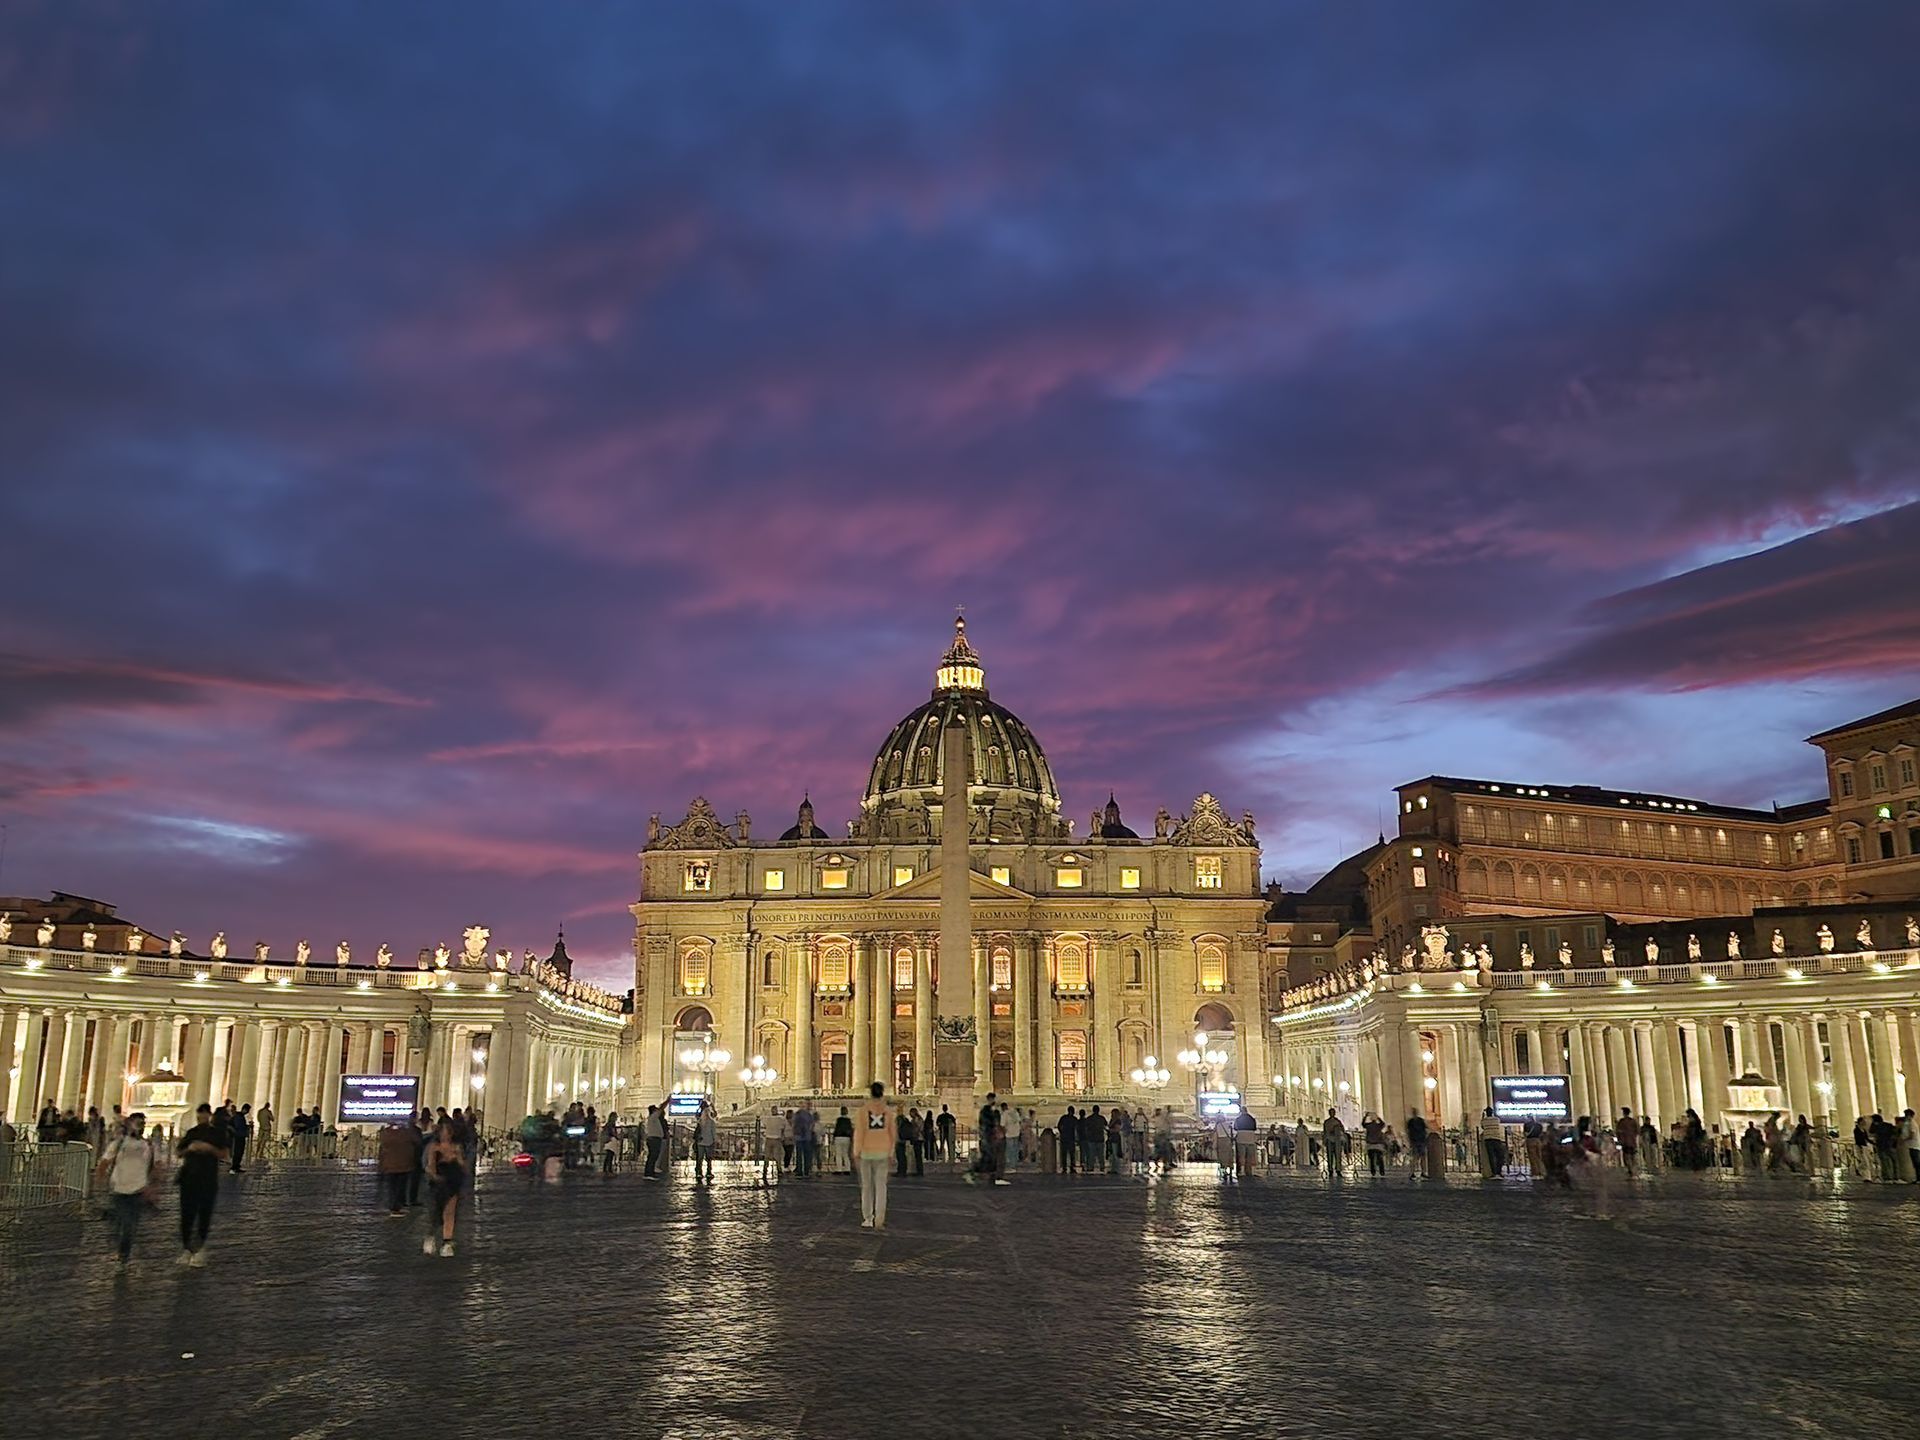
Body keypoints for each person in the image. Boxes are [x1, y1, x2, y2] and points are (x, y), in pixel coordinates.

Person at [95, 1112, 157, 1263]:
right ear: (129, 1124)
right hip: (119, 1189)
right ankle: (119, 1246)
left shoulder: (147, 1145)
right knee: (119, 1223)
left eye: (142, 1123)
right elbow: (105, 1162)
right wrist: (100, 1181)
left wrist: (152, 1186)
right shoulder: (119, 1143)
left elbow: (154, 1166)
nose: (139, 1126)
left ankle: (124, 1254)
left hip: (138, 1190)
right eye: (136, 1123)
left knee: (130, 1226)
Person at [175, 1103, 230, 1266]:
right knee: (186, 1215)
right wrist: (190, 1148)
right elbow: (179, 1152)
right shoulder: (192, 1133)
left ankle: (200, 1249)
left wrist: (208, 1148)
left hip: (208, 1179)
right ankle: (186, 1248)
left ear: (209, 1116)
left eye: (204, 1115)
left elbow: (224, 1154)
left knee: (204, 1214)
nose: (202, 1118)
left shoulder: (217, 1133)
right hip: (188, 1178)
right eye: (200, 1115)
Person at [422, 1119, 467, 1256]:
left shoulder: (457, 1147)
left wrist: (457, 1157)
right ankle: (430, 1238)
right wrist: (434, 1176)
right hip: (439, 1182)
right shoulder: (433, 1147)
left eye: (449, 1132)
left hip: (453, 1181)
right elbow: (430, 1165)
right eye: (444, 1132)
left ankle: (447, 1242)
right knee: (435, 1213)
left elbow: (463, 1166)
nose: (447, 1134)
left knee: (450, 1212)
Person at [854, 1080, 895, 1228]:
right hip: (883, 1153)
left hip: (866, 1153)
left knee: (866, 1187)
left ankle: (868, 1218)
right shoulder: (888, 1112)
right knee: (881, 1187)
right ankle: (880, 1219)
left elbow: (859, 1133)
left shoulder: (863, 1111)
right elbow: (892, 1134)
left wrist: (856, 1152)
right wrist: (891, 1152)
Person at [377, 1117, 416, 1215]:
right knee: (400, 1187)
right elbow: (415, 1142)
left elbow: (382, 1149)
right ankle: (396, 1206)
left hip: (390, 1164)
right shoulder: (406, 1134)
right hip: (404, 1164)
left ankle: (393, 1205)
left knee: (392, 1187)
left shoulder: (385, 1134)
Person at [693, 1099, 717, 1183]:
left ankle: (699, 1171)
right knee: (708, 1158)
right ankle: (709, 1171)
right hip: (709, 1141)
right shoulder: (712, 1122)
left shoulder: (700, 1121)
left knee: (700, 1158)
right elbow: (713, 1132)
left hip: (701, 1141)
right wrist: (714, 1140)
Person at [642, 1104, 666, 1180]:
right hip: (654, 1139)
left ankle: (649, 1172)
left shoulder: (651, 1118)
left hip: (653, 1139)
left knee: (652, 1156)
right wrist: (668, 1100)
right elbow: (661, 1108)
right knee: (653, 1156)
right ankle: (649, 1173)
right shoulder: (653, 1117)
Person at [1322, 1109, 1347, 1175]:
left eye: (1333, 1112)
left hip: (1337, 1140)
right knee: (1330, 1156)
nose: (1332, 1114)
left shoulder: (1338, 1121)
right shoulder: (1326, 1122)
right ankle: (1330, 1169)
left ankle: (1338, 1169)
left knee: (1338, 1156)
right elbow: (1325, 1131)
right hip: (1329, 1140)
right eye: (1331, 1112)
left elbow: (1342, 1130)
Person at [228, 1103, 252, 1173]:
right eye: (248, 1110)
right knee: (237, 1152)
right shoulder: (238, 1117)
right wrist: (247, 1127)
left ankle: (237, 1166)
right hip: (239, 1136)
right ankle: (234, 1167)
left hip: (240, 1136)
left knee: (240, 1152)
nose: (248, 1112)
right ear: (244, 1109)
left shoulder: (240, 1116)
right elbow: (239, 1126)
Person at [1058, 1106, 1079, 1174]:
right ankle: (1072, 1168)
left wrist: (1062, 1132)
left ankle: (1064, 1168)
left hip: (1064, 1138)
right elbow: (1077, 1129)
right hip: (1071, 1138)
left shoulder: (1063, 1118)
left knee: (1064, 1154)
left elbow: (1059, 1126)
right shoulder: (1074, 1119)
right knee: (1072, 1154)